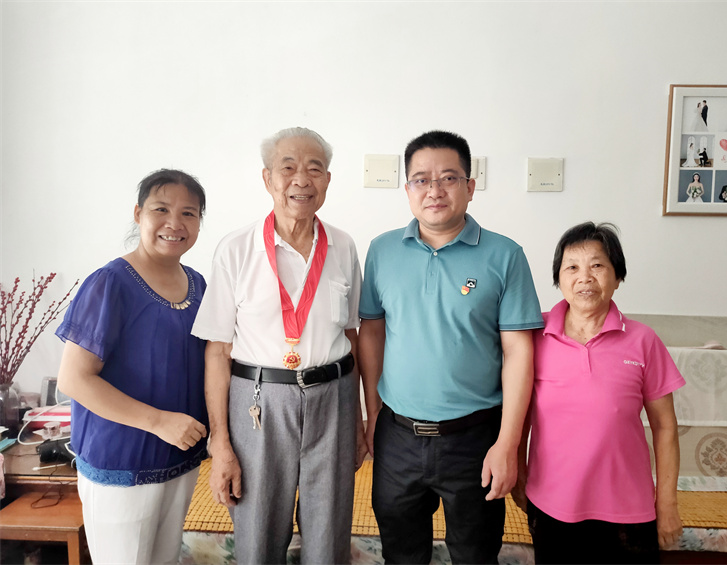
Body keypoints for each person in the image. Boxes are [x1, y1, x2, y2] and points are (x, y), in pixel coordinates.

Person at [359, 130, 543, 564]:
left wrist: (508, 443)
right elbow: (372, 333)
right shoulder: (382, 251)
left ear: (470, 187)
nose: (434, 190)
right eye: (421, 179)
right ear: (407, 189)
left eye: (448, 178)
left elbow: (519, 353)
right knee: (401, 555)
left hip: (475, 438)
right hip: (398, 435)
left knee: (476, 555)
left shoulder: (505, 255)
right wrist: (373, 414)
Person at [191, 127, 363, 564]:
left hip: (334, 398)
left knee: (329, 533)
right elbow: (217, 351)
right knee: (258, 531)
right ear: (267, 178)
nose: (301, 179)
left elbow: (352, 335)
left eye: (314, 169)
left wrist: (359, 420)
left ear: (328, 180)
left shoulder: (343, 246)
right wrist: (220, 442)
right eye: (288, 168)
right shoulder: (236, 249)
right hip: (259, 403)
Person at [55, 169, 209, 565]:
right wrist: (159, 422)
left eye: (189, 213)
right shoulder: (110, 283)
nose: (175, 223)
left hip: (179, 458)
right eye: (161, 209)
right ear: (138, 214)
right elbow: (74, 378)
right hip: (121, 464)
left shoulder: (198, 286)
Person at [512, 222, 685, 564]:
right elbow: (520, 415)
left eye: (597, 265)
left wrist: (667, 504)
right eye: (572, 267)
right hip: (552, 506)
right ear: (558, 279)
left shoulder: (643, 340)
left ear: (617, 277)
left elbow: (665, 427)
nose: (585, 277)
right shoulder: (533, 336)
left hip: (629, 511)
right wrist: (518, 472)